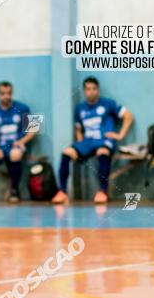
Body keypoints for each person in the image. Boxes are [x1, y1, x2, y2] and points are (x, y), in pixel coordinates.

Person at [52, 76, 133, 204]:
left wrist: (120, 135)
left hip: (103, 140)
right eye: (88, 89)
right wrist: (80, 145)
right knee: (66, 152)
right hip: (88, 142)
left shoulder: (108, 104)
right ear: (84, 91)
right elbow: (78, 129)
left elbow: (128, 116)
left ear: (98, 90)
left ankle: (102, 191)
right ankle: (62, 192)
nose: (91, 91)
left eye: (94, 88)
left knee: (102, 152)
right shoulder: (79, 108)